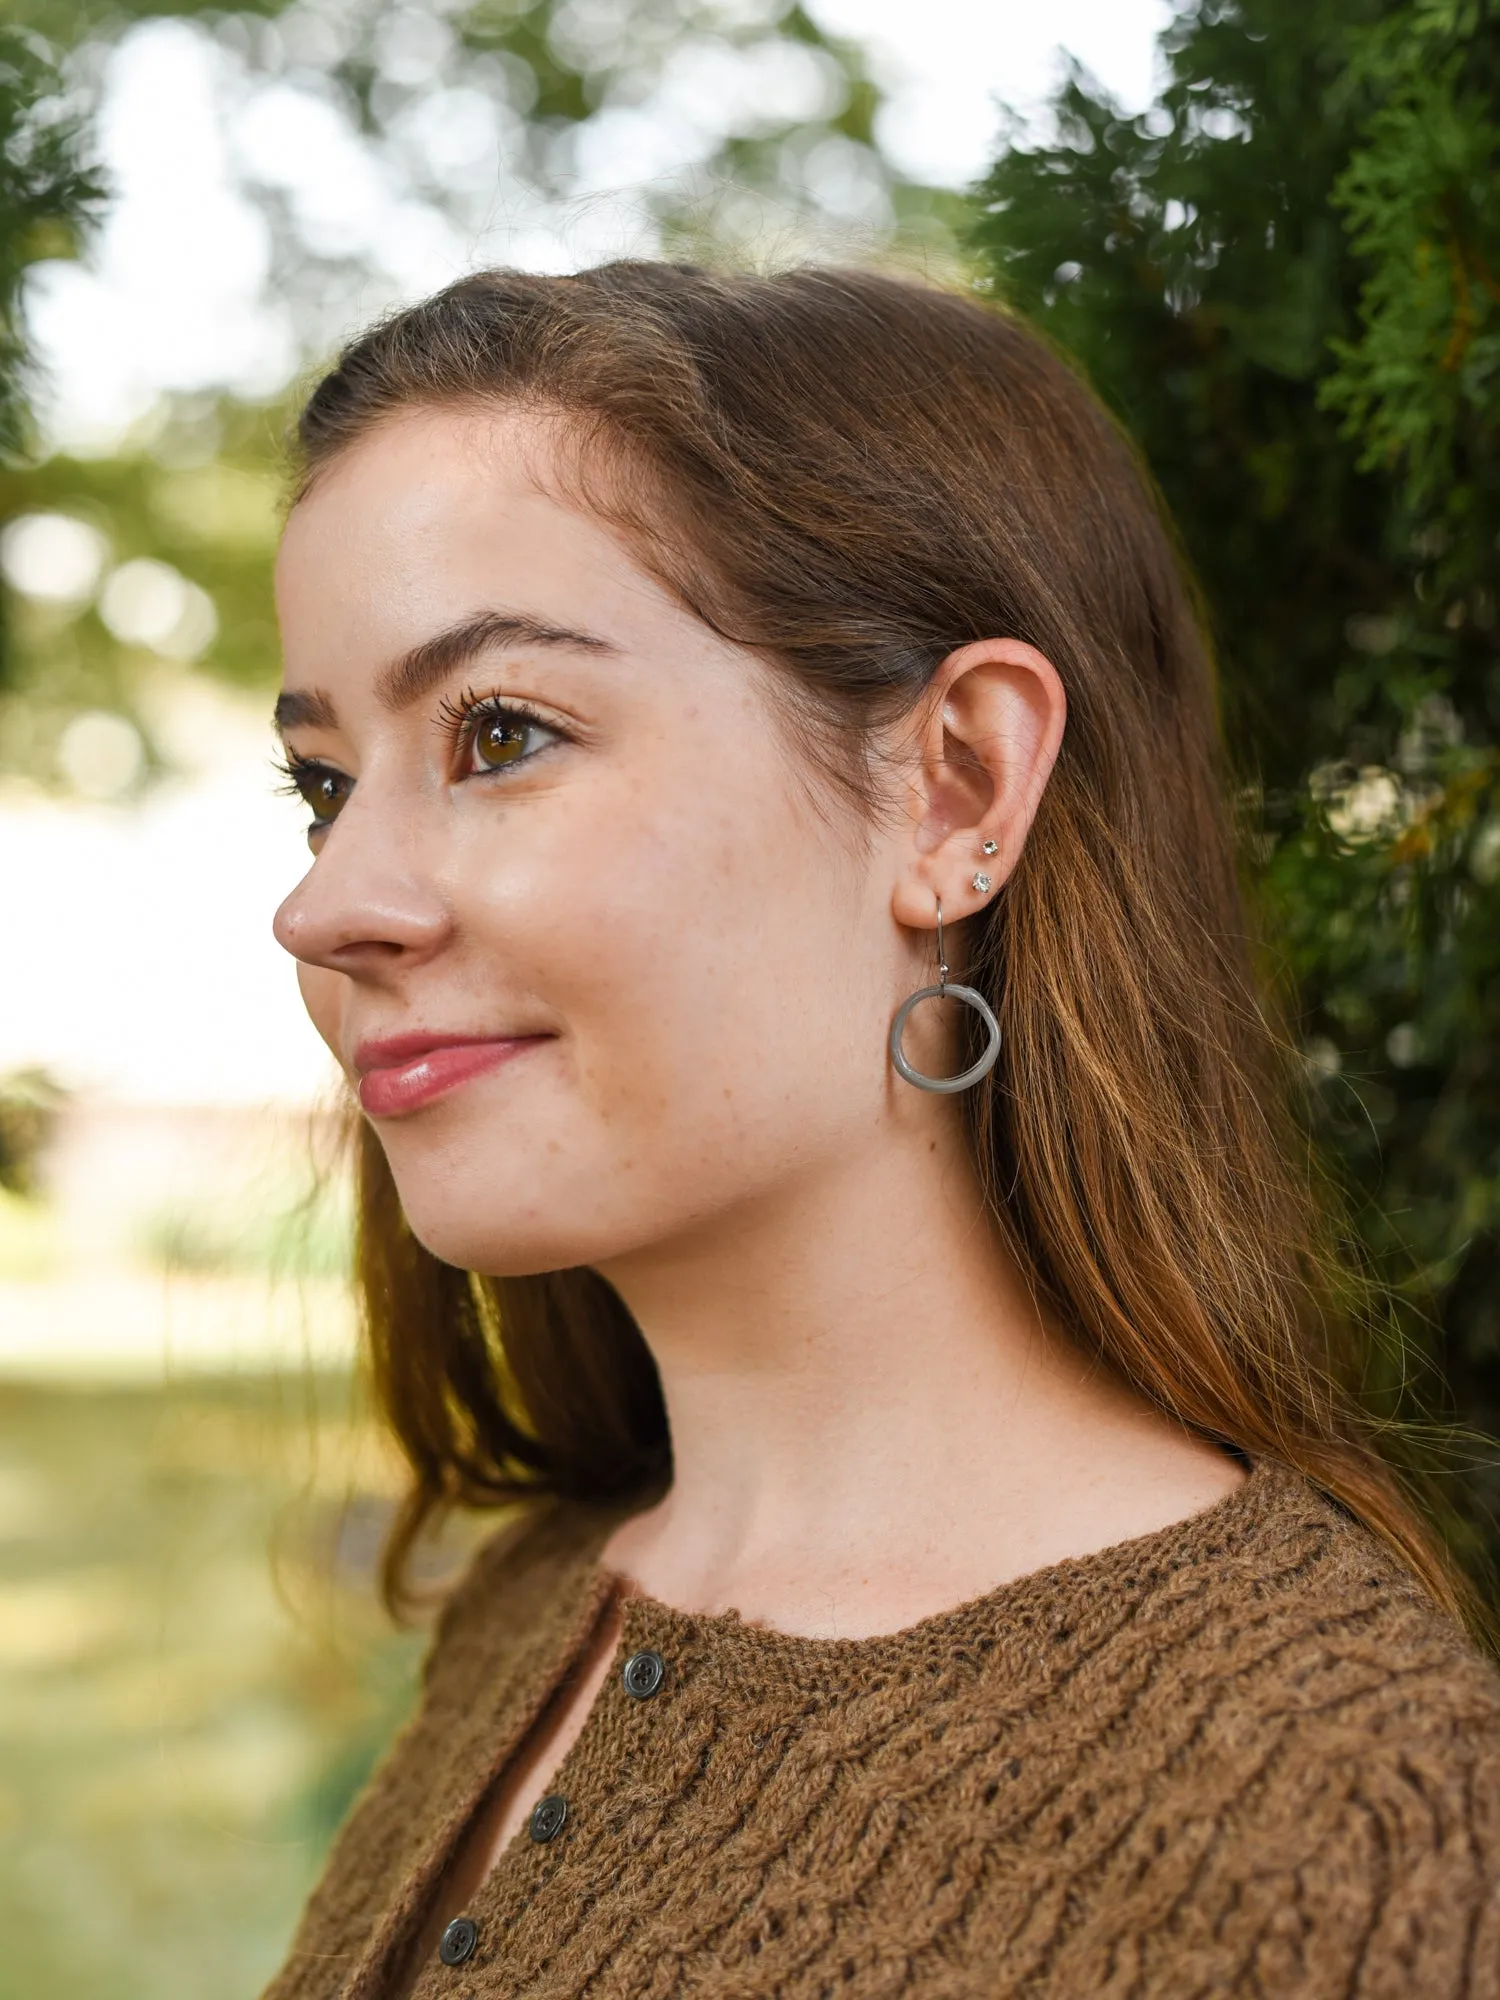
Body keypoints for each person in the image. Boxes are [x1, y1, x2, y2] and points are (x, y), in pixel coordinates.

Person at [261, 263, 1500, 2000]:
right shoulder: (538, 1603)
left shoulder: (1339, 1813)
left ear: (958, 787)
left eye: (502, 732)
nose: (325, 904)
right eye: (324, 781)